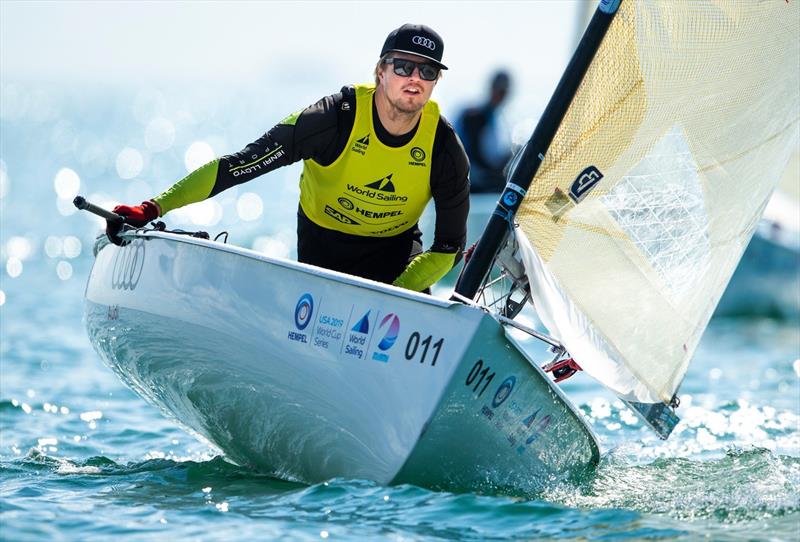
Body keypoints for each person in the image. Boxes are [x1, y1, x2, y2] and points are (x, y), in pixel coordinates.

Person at [108, 24, 470, 293]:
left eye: (428, 71)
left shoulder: (444, 147)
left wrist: (396, 295)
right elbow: (239, 166)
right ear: (380, 71)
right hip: (324, 246)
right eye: (404, 67)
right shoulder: (332, 119)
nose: (415, 79)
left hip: (396, 254)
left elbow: (448, 249)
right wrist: (153, 208)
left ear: (436, 81)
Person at [455, 70, 512, 193]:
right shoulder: (474, 116)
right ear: (492, 88)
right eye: (501, 91)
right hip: (473, 183)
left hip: (480, 178)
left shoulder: (493, 115)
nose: (503, 96)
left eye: (505, 92)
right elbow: (476, 159)